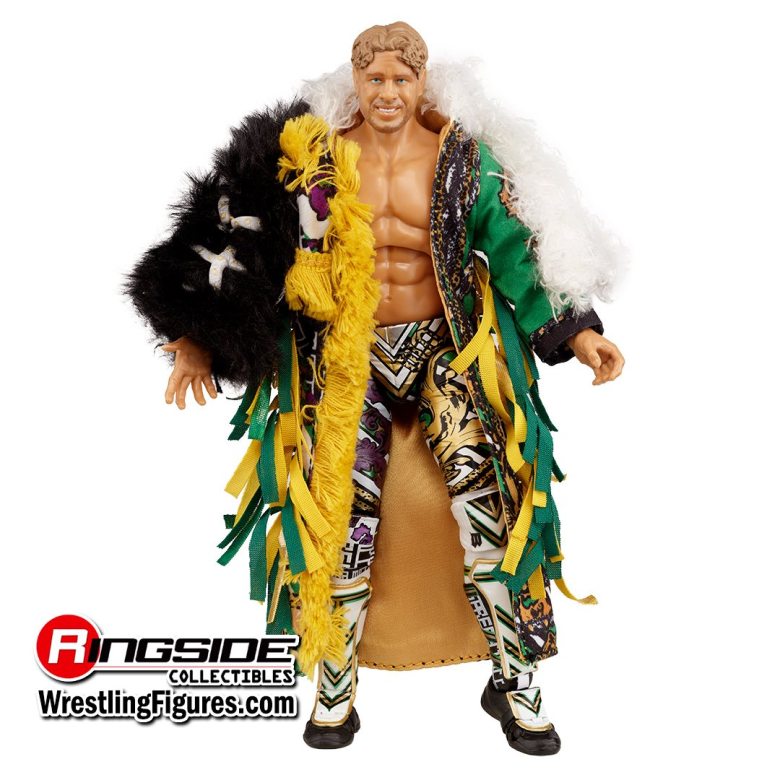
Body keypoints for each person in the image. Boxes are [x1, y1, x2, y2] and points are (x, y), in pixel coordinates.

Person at [128, 21, 624, 755]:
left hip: (446, 350)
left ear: (422, 81)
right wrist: (194, 337)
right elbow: (238, 247)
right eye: (376, 77)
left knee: (489, 511)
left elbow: (517, 251)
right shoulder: (312, 158)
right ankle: (335, 686)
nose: (388, 91)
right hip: (345, 356)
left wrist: (578, 332)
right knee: (338, 519)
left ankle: (515, 681)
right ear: (355, 79)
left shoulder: (465, 159)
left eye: (401, 78)